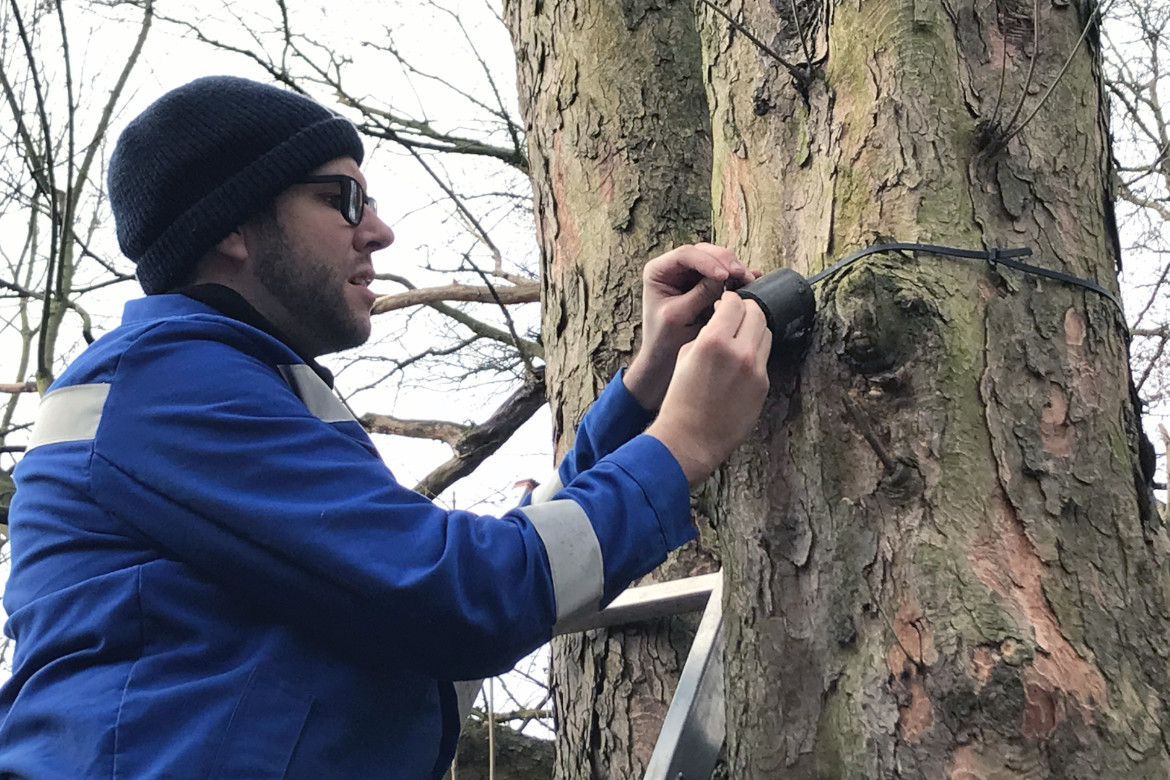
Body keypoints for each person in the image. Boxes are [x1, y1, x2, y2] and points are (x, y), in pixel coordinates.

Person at [0, 76, 771, 779]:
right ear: (233, 226)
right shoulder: (170, 388)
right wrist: (684, 445)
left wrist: (644, 394)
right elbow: (461, 596)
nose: (379, 231)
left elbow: (451, 585)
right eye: (344, 199)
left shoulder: (209, 397)